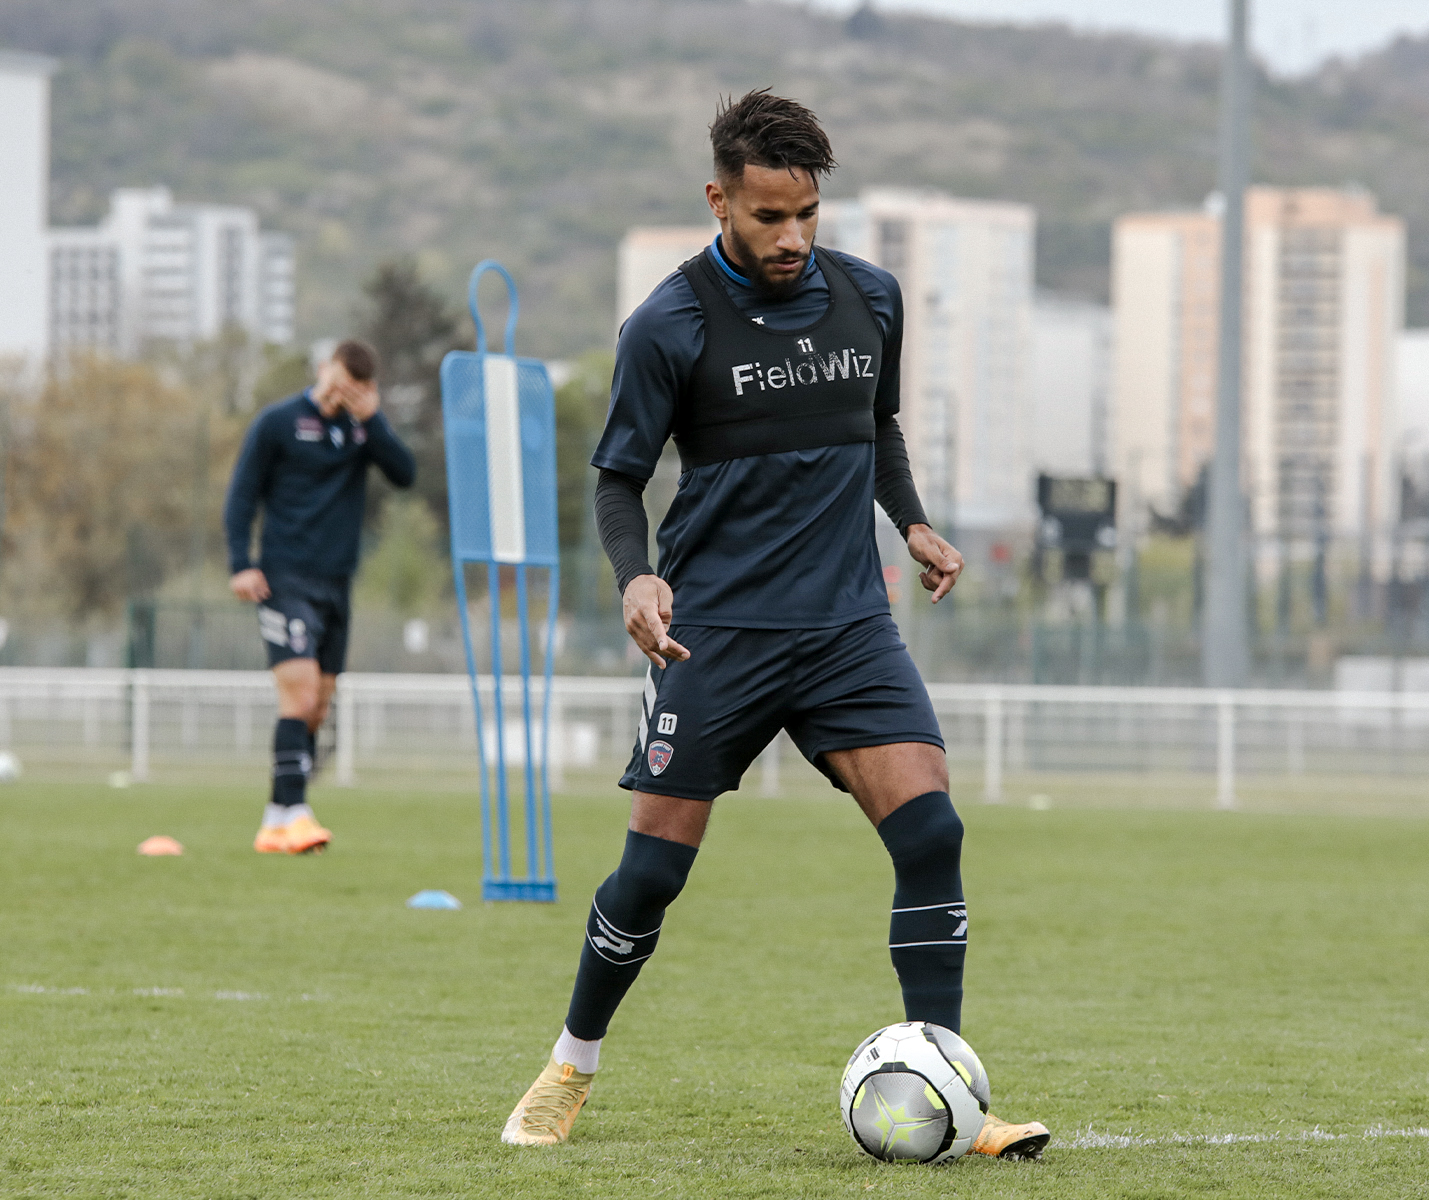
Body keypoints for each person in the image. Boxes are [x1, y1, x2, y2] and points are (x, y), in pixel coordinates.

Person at [501, 90, 1049, 1160]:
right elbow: (617, 478)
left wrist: (915, 521)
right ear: (719, 200)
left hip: (848, 624)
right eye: (767, 216)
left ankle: (946, 1090)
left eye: (805, 214)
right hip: (717, 632)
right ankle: (571, 1062)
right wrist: (636, 579)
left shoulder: (872, 299)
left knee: (931, 832)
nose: (792, 237)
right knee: (653, 873)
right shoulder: (669, 324)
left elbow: (872, 427)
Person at [223, 339, 416, 854]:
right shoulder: (278, 421)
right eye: (338, 378)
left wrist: (373, 420)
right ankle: (296, 812)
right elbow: (242, 494)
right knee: (300, 694)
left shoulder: (361, 429)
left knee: (318, 707)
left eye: (355, 386)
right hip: (284, 578)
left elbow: (405, 474)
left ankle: (278, 816)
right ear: (324, 368)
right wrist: (241, 563)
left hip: (337, 583)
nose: (341, 391)